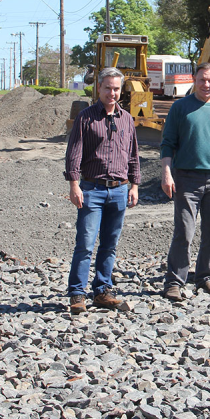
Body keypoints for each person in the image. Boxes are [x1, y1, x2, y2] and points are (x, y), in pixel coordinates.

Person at [161, 63, 210, 302]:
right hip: (187, 178)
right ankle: (174, 281)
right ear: (194, 80)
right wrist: (166, 173)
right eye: (202, 80)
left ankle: (206, 278)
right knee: (184, 232)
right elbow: (168, 143)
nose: (206, 84)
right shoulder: (180, 107)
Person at [64, 67, 140, 315]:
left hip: (119, 190)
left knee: (109, 244)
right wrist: (74, 184)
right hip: (92, 189)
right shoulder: (86, 118)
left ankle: (102, 290)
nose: (112, 93)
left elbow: (133, 155)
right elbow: (74, 153)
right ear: (99, 88)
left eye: (116, 88)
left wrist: (134, 185)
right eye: (107, 88)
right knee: (85, 244)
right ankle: (77, 293)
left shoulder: (126, 119)